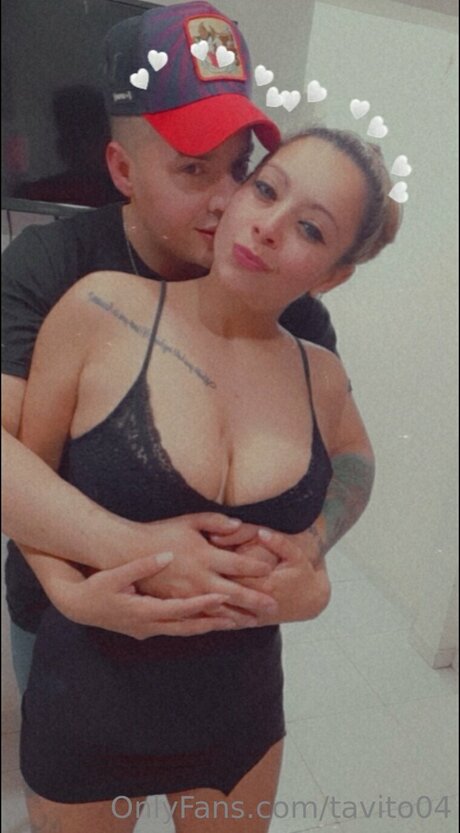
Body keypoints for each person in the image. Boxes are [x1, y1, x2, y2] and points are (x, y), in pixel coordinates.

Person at [18, 125, 400, 832]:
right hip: (88, 696)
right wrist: (65, 589)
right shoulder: (100, 311)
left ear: (332, 275)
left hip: (238, 712)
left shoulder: (320, 373)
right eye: (266, 189)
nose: (268, 226)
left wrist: (315, 547)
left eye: (310, 229)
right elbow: (23, 484)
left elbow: (357, 458)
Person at [1, 1, 372, 696]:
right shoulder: (54, 269)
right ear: (122, 169)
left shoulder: (286, 310)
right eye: (194, 171)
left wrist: (314, 551)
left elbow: (348, 450)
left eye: (243, 169)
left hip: (218, 661)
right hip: (65, 617)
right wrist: (116, 561)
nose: (230, 201)